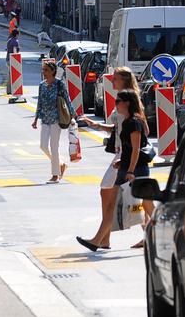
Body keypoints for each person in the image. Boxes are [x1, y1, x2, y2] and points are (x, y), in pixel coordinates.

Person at [76, 67, 136, 251]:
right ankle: (105, 239)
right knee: (126, 198)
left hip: (123, 155)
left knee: (114, 196)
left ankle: (102, 239)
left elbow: (136, 126)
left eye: (115, 79)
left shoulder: (129, 98)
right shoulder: (123, 97)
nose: (111, 82)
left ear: (124, 80)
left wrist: (130, 163)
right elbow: (117, 127)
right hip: (120, 153)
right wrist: (98, 125)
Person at [32, 60, 72, 183]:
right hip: (45, 119)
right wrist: (35, 119)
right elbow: (39, 103)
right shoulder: (42, 85)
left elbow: (67, 99)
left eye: (46, 70)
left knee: (54, 147)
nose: (44, 72)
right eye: (43, 70)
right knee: (43, 146)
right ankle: (60, 164)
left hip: (56, 119)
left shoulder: (59, 84)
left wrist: (73, 115)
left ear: (53, 71)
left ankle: (55, 175)